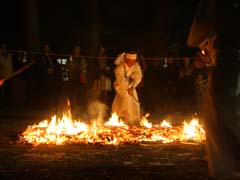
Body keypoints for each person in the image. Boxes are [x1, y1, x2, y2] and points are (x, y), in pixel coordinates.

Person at [187, 0, 240, 178]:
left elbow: (194, 37)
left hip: (227, 64)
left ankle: (227, 169)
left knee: (217, 116)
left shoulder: (214, 4)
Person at [112, 51, 142, 125]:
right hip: (119, 85)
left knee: (134, 98)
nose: (134, 63)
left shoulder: (136, 65)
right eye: (132, 61)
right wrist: (128, 88)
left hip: (130, 85)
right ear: (128, 60)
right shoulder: (120, 68)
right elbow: (121, 80)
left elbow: (138, 76)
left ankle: (135, 120)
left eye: (135, 61)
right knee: (125, 96)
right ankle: (126, 119)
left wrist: (132, 87)